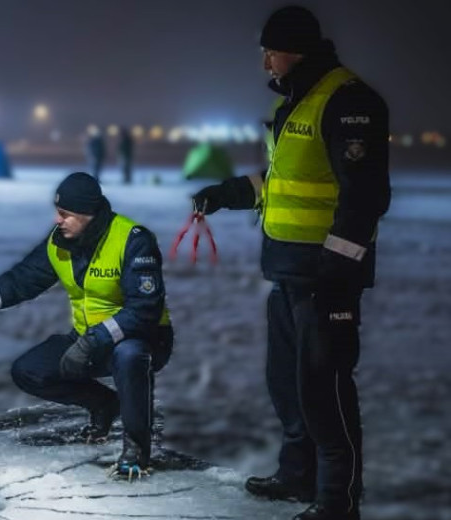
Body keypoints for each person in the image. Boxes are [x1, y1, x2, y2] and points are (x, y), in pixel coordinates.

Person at [192, 6, 390, 520]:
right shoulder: (297, 103)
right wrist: (225, 192)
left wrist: (337, 266)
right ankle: (297, 476)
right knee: (289, 383)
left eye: (270, 52)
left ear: (295, 50)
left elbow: (364, 195)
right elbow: (281, 179)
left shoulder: (348, 101)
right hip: (289, 273)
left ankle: (335, 501)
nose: (265, 65)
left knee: (325, 390)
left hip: (325, 279)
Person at [0, 172, 173, 478]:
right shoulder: (59, 243)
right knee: (29, 370)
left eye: (65, 214)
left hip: (144, 338)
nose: (57, 220)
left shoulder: (133, 240)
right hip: (90, 337)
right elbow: (21, 280)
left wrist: (92, 341)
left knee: (129, 355)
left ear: (88, 215)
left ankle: (137, 450)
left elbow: (144, 310)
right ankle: (105, 404)